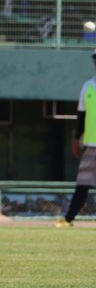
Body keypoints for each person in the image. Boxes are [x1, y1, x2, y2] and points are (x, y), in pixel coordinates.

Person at [55, 49, 96, 227]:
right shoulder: (88, 86)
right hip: (91, 145)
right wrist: (76, 139)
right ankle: (69, 218)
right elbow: (81, 116)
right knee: (82, 184)